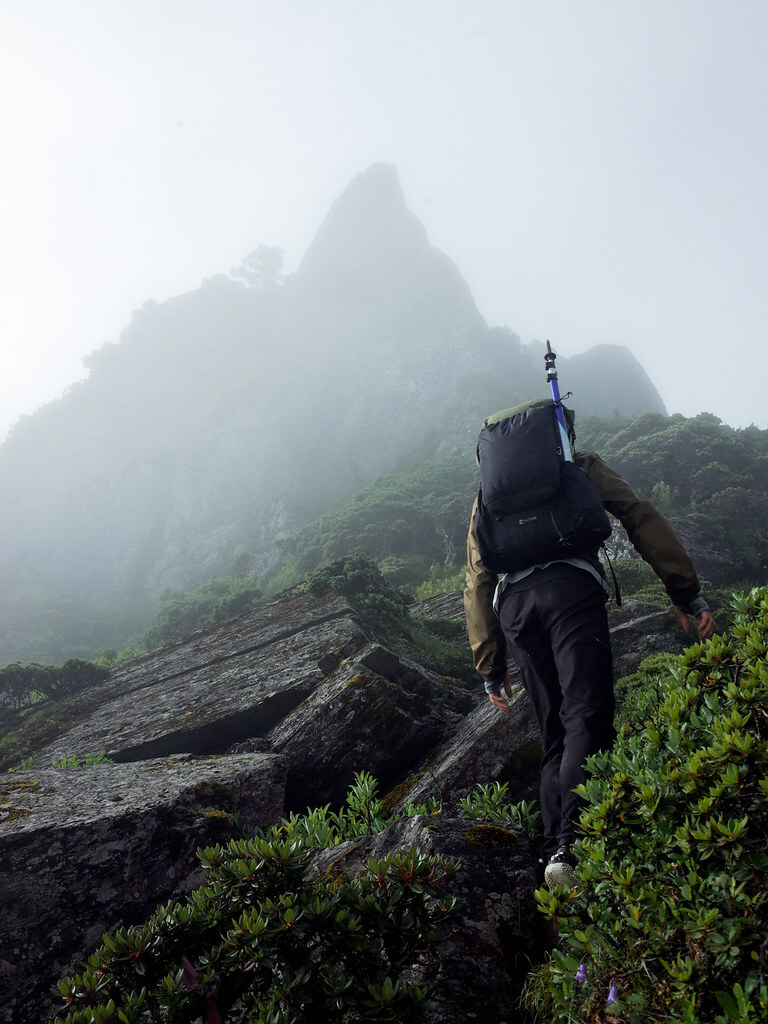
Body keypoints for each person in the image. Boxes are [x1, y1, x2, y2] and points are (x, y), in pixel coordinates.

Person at [464, 400, 716, 888]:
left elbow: (475, 577)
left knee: (555, 732)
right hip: (572, 594)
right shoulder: (577, 467)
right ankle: (573, 845)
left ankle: (551, 850)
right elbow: (638, 514)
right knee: (585, 715)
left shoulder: (488, 496)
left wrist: (490, 666)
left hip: (515, 607)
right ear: (560, 433)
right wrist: (685, 591)